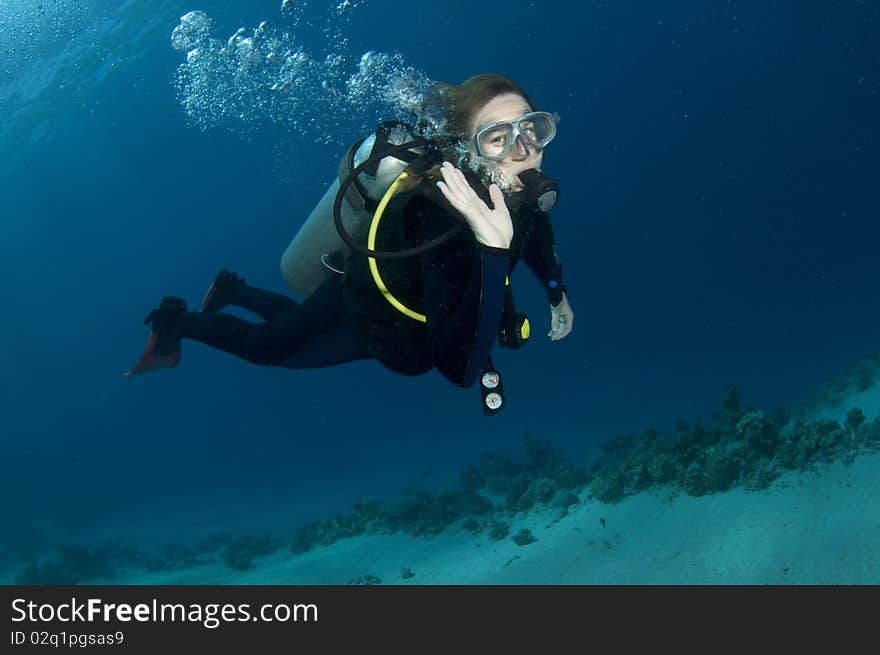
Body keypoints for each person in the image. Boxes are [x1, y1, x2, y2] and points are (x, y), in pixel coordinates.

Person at [125, 73, 574, 406]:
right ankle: (174, 320)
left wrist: (557, 295)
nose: (523, 150)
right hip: (367, 306)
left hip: (399, 314)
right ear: (466, 150)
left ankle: (234, 290)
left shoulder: (514, 190)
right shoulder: (441, 220)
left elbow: (534, 231)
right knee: (272, 349)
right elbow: (460, 369)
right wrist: (493, 251)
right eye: (497, 138)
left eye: (531, 128)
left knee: (296, 329)